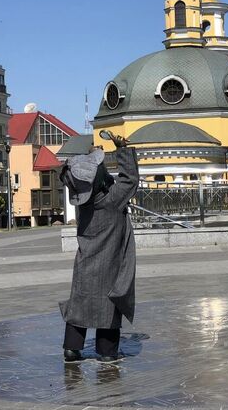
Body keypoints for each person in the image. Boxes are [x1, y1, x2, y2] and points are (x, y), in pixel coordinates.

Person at [59, 131, 139, 362]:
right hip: (110, 264)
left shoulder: (83, 205)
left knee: (80, 303)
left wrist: (76, 164)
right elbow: (129, 179)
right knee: (109, 304)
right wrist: (122, 150)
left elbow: (69, 176)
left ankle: (72, 349)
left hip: (85, 264)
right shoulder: (112, 201)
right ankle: (106, 352)